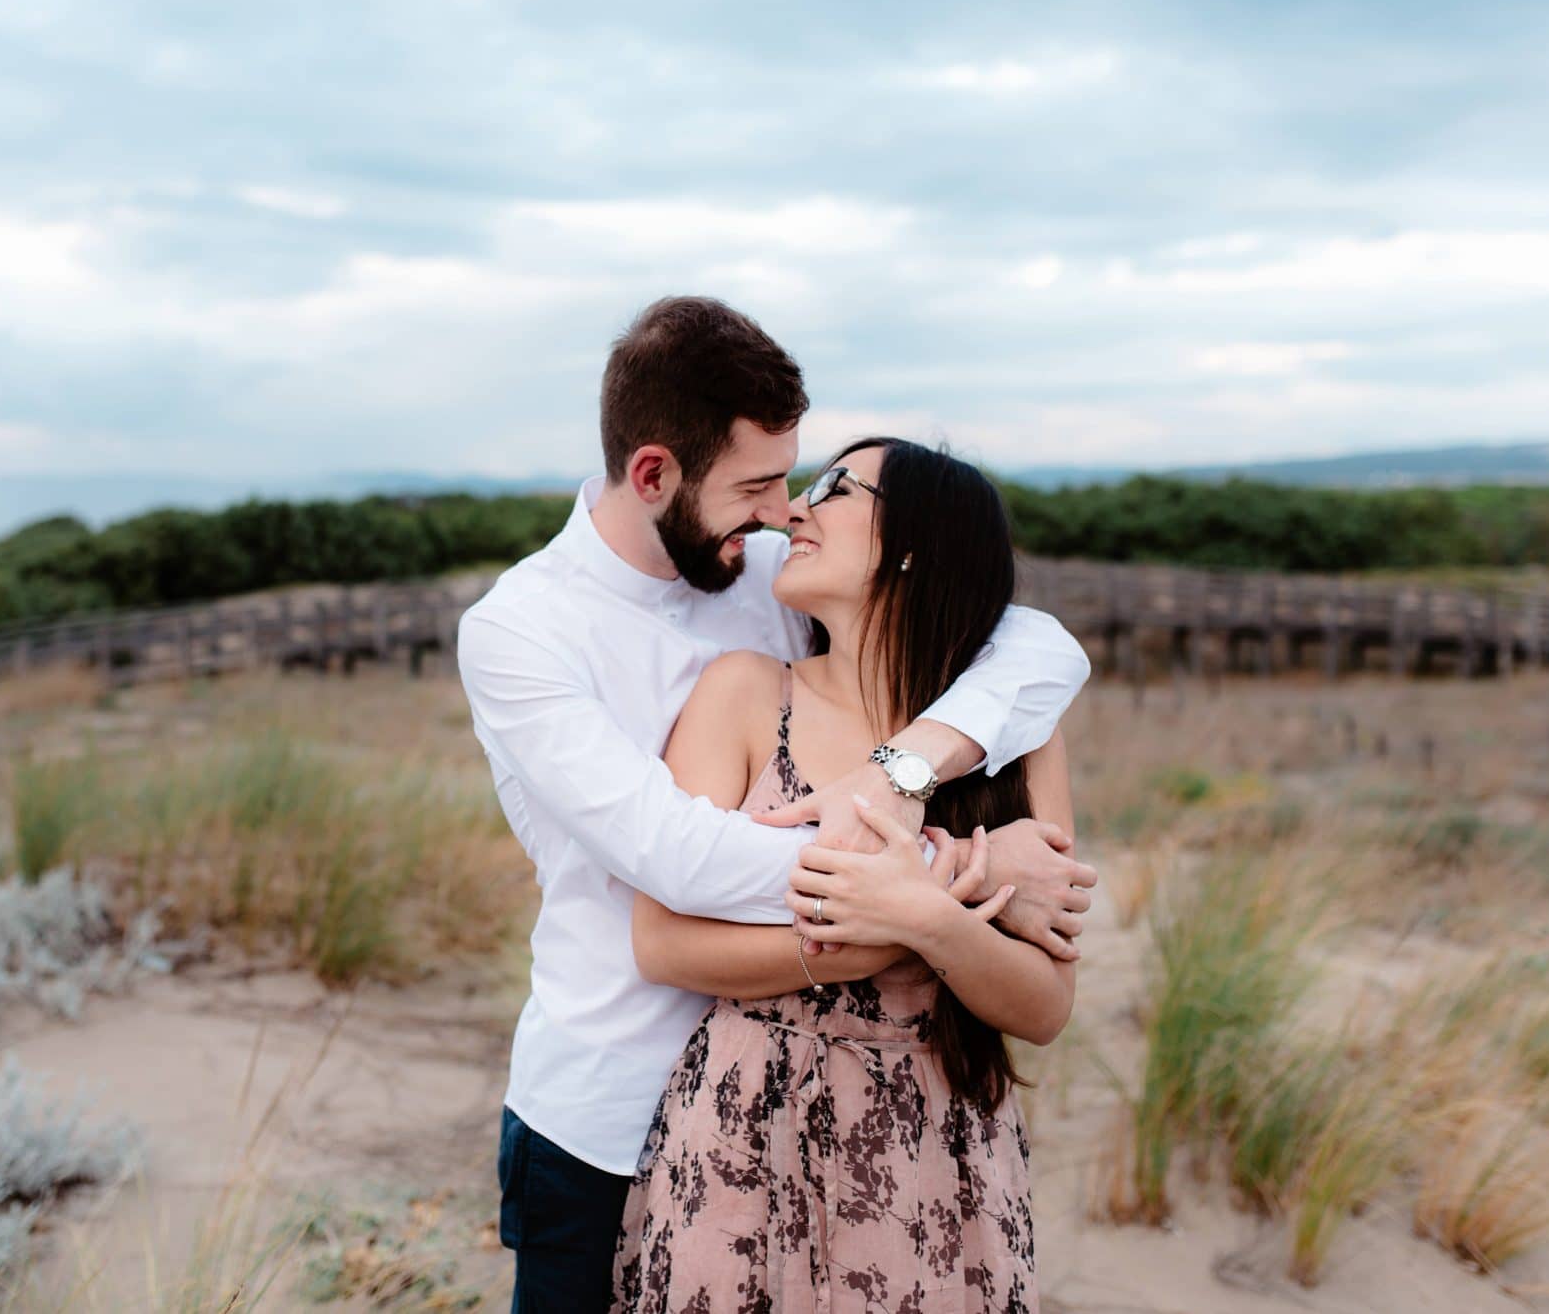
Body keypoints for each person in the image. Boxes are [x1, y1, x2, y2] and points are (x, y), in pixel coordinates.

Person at [456, 297, 1095, 1313]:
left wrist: (905, 769)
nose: (782, 508)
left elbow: (1034, 643)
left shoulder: (760, 571)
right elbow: (680, 858)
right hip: (611, 1105)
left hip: (885, 1129)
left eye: (798, 481)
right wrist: (957, 880)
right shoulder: (523, 634)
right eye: (757, 484)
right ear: (654, 473)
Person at [616, 438, 1073, 1313]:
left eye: (834, 486)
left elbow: (1046, 1006)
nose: (794, 508)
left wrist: (931, 924)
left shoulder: (1016, 734)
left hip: (939, 1147)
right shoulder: (748, 692)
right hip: (747, 1124)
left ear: (914, 541)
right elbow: (662, 942)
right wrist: (896, 924)